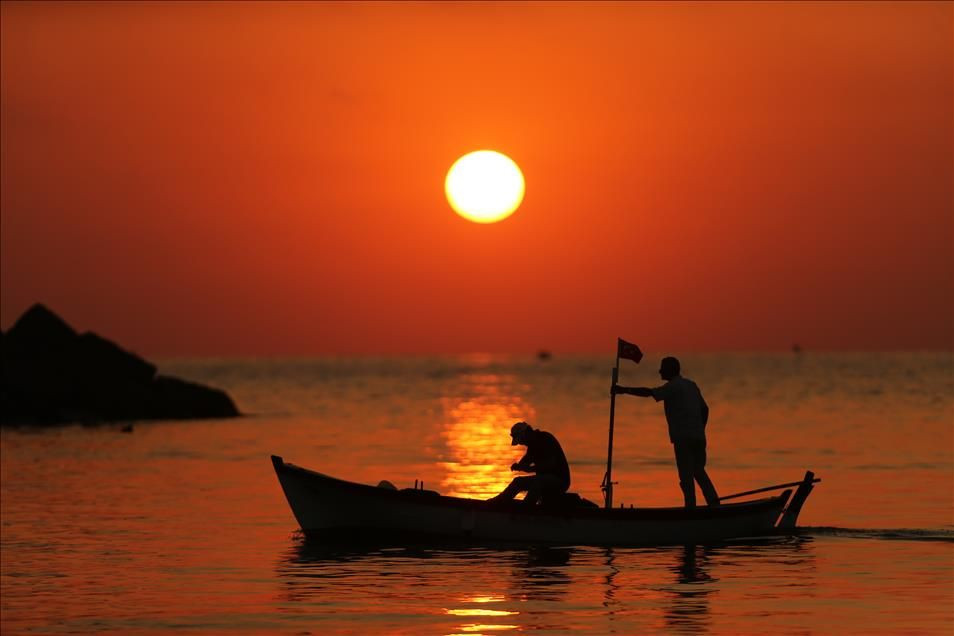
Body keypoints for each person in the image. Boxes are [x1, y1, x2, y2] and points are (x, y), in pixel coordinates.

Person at [612, 356, 720, 508]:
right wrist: (700, 429)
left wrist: (624, 390)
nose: (659, 371)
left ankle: (691, 510)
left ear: (670, 370)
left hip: (683, 439)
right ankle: (714, 504)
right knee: (699, 472)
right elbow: (705, 409)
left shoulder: (672, 387)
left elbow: (649, 393)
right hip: (699, 438)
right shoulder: (691, 385)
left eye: (662, 368)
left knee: (686, 478)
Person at [488, 421, 570, 505]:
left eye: (521, 441)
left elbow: (550, 464)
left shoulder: (545, 438)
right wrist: (519, 466)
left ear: (526, 434)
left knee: (538, 482)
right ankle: (498, 502)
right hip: (543, 480)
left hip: (560, 481)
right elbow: (525, 461)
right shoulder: (532, 447)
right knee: (518, 481)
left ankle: (527, 507)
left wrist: (529, 468)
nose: (521, 444)